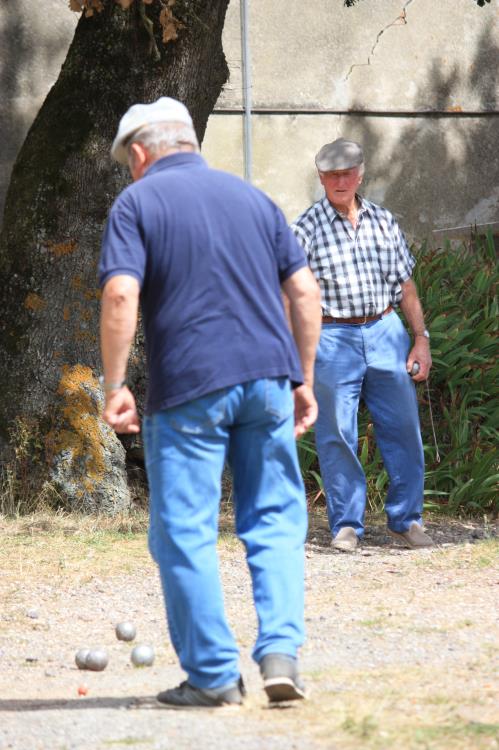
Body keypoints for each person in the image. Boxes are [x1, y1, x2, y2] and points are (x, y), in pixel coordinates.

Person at [98, 97, 321, 707]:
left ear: (140, 154)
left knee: (184, 531)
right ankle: (281, 654)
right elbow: (304, 291)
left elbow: (121, 295)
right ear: (190, 141)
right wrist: (302, 378)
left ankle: (215, 675)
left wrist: (115, 386)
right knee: (274, 519)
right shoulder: (254, 199)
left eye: (128, 163)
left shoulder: (137, 202)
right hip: (269, 382)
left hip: (191, 386)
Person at [292, 137, 434, 553]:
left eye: (347, 173)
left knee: (404, 428)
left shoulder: (384, 221)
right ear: (320, 178)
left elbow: (406, 287)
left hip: (386, 330)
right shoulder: (304, 229)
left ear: (361, 174)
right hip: (332, 335)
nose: (340, 180)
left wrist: (421, 340)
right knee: (337, 432)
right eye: (331, 174)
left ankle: (406, 519)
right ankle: (347, 525)